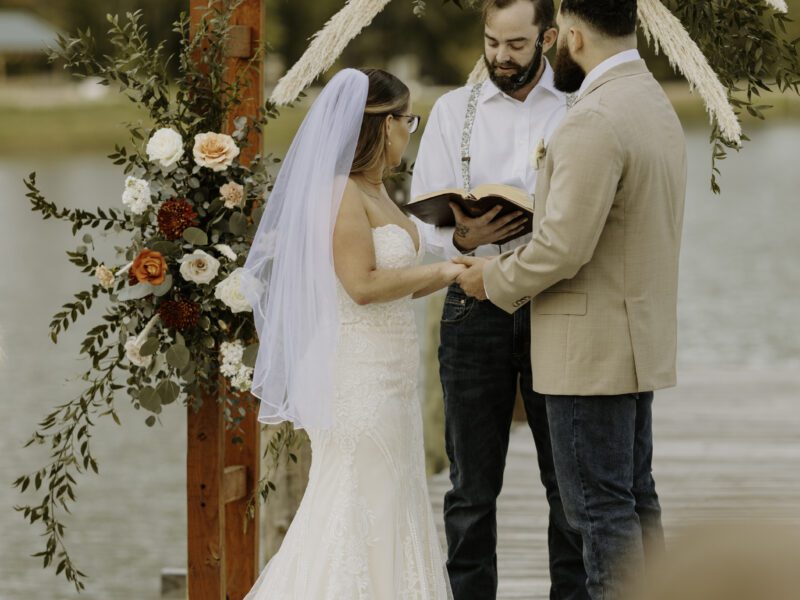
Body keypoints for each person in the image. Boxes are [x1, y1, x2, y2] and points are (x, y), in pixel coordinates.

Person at [456, 0, 687, 598]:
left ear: (573, 35)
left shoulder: (593, 118)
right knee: (634, 500)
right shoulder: (653, 102)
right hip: (633, 341)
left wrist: (493, 278)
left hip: (589, 353)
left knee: (598, 512)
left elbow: (562, 247)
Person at [242, 68, 461, 599]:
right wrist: (446, 272)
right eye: (408, 119)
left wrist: (460, 267)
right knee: (354, 505)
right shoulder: (342, 193)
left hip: (393, 376)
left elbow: (396, 285)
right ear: (384, 126)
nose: (412, 130)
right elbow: (361, 285)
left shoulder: (380, 192)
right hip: (357, 378)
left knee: (393, 499)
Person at [410, 1, 586, 598]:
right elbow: (425, 219)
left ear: (549, 37)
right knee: (470, 489)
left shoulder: (576, 109)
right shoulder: (451, 110)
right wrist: (463, 235)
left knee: (566, 484)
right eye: (491, 42)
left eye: (515, 45)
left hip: (552, 302)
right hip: (472, 304)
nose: (500, 57)